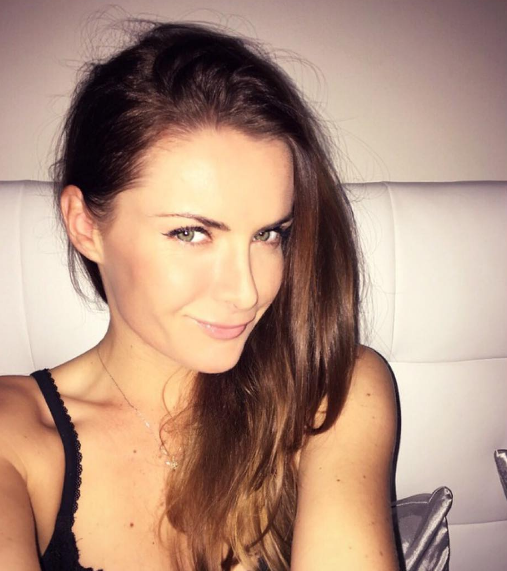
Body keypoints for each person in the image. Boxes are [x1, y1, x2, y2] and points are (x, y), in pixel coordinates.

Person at [0, 21, 400, 571]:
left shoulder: (329, 391)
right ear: (85, 225)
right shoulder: (17, 434)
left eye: (269, 234)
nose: (246, 292)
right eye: (191, 233)